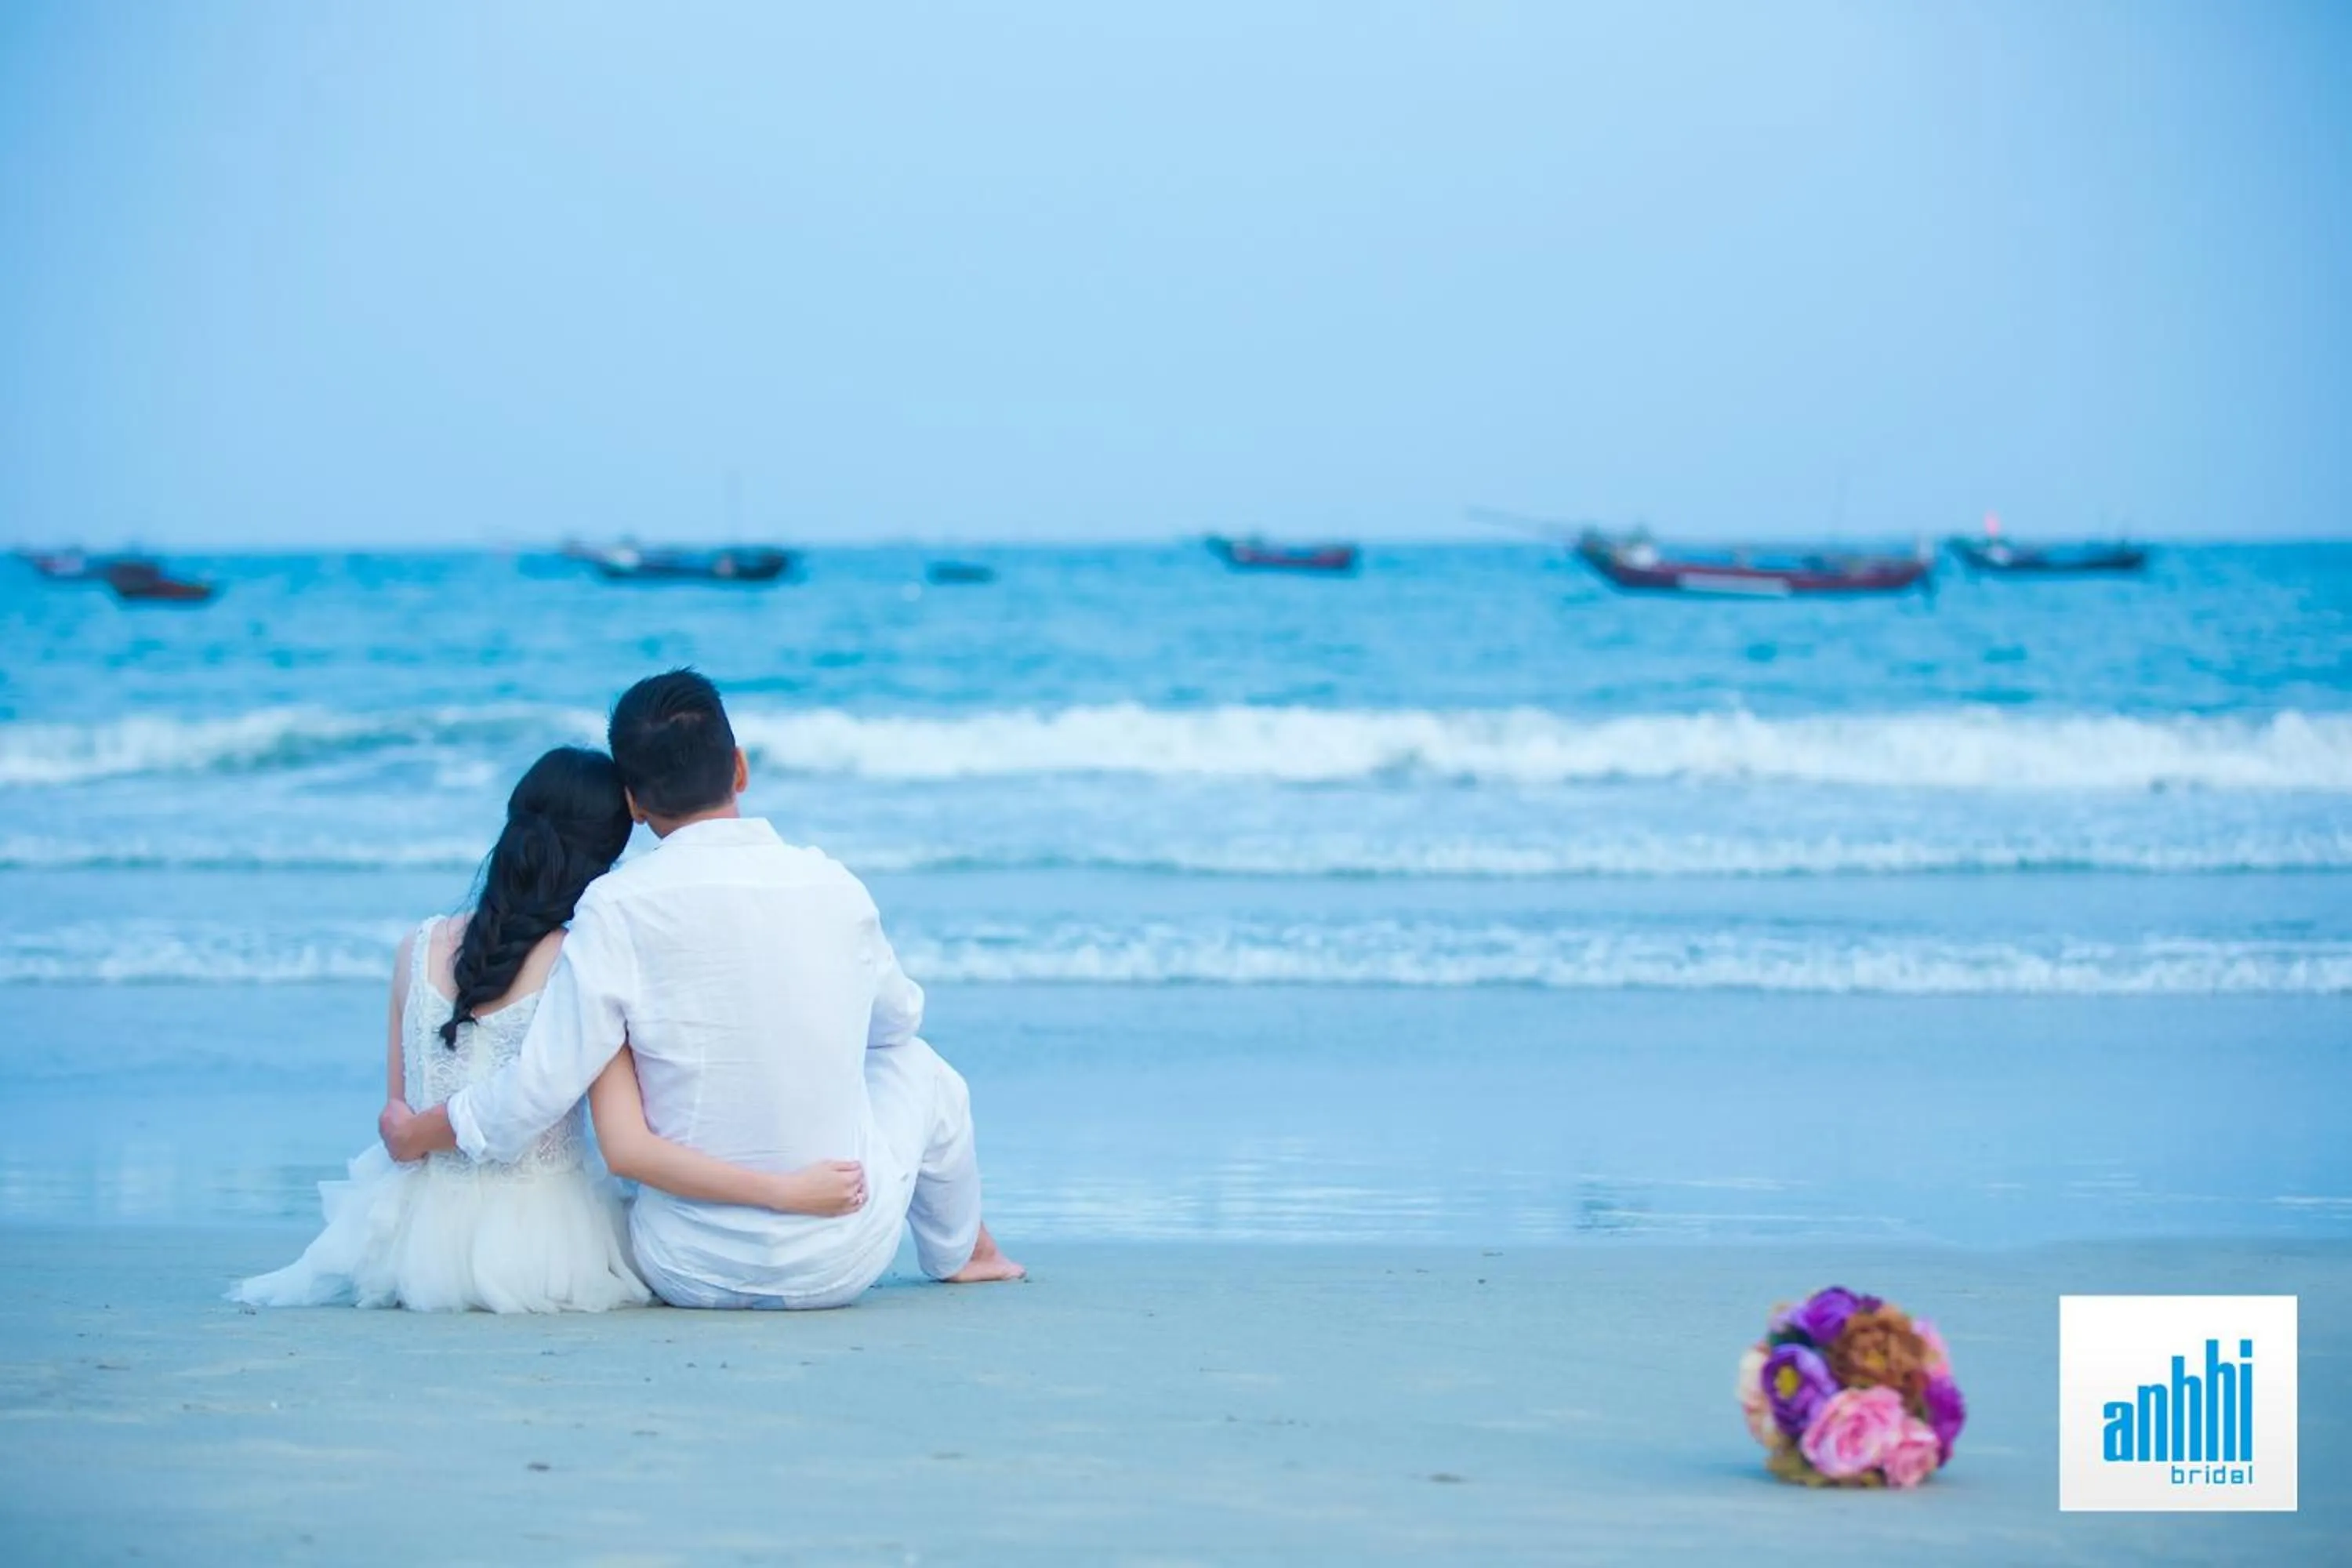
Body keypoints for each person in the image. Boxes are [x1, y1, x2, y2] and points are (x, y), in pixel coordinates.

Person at [379, 670, 1022, 1308]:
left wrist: (419, 1132)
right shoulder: (835, 887)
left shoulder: (614, 907)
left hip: (681, 1266)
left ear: (634, 804)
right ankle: (965, 1254)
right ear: (739, 768)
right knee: (919, 1067)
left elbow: (538, 1087)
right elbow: (897, 1022)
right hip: (836, 1258)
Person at [233, 746, 867, 1313]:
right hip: (542, 1248)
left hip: (409, 1242)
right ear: (607, 858)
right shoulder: (580, 960)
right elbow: (623, 1142)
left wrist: (413, 1134)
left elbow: (397, 1115)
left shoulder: (416, 947)